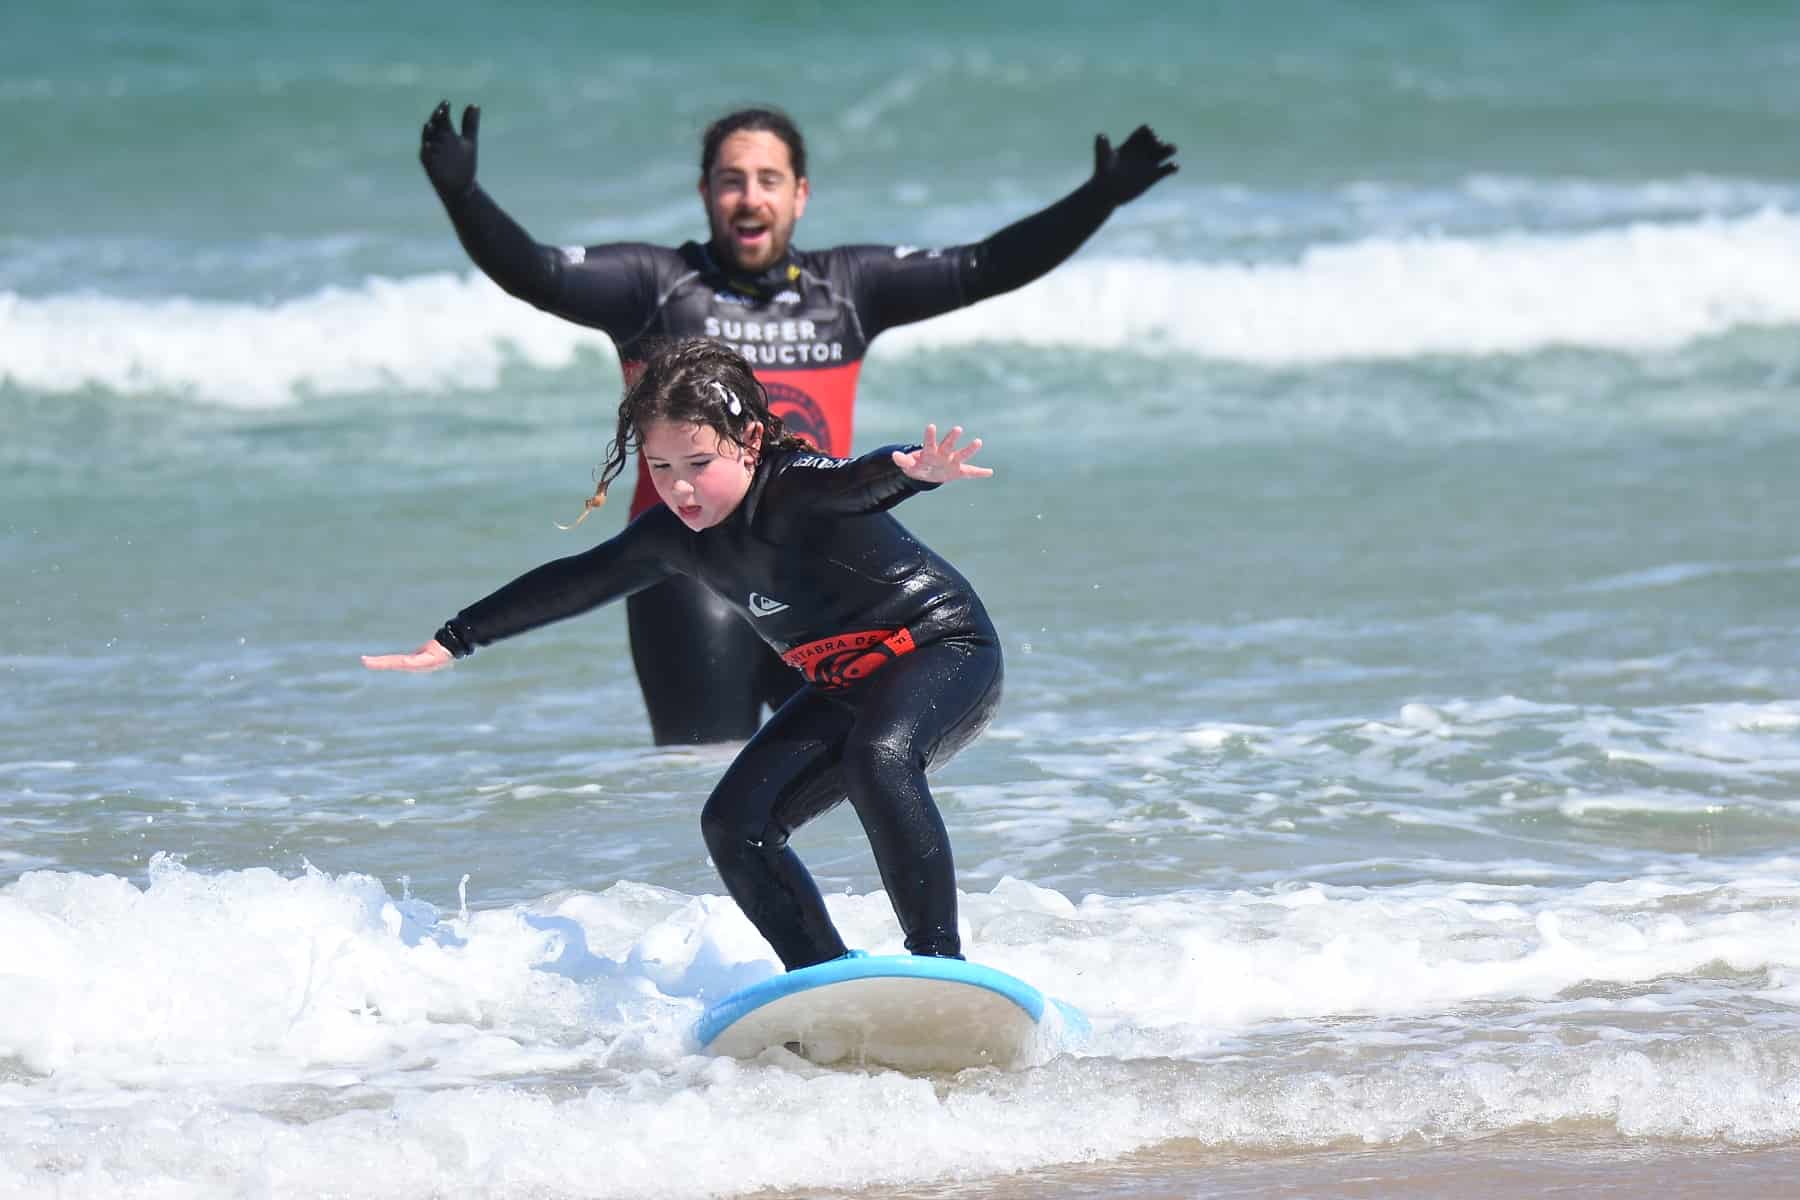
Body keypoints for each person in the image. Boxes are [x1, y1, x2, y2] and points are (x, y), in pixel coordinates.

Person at [419, 99, 1176, 746]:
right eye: (731, 181)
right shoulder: (654, 288)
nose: (750, 198)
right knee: (707, 777)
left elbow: (984, 267)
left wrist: (1098, 198)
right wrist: (465, 197)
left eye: (768, 180)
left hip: (828, 580)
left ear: (800, 194)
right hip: (692, 578)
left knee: (855, 772)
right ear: (706, 193)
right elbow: (538, 274)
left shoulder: (846, 289)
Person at [363, 337, 1000, 970]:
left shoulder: (792, 487)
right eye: (661, 467)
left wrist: (911, 471)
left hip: (940, 648)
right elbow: (579, 580)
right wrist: (457, 637)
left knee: (877, 757)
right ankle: (823, 979)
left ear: (750, 441)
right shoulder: (673, 539)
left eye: (698, 462)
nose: (680, 489)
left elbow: (858, 481)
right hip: (844, 683)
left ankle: (941, 967)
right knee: (734, 824)